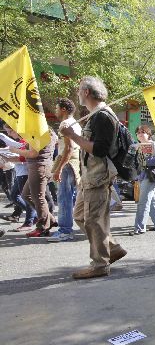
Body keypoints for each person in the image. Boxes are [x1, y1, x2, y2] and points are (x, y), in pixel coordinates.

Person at [60, 76, 126, 279]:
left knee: (94, 221)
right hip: (89, 177)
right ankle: (112, 248)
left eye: (80, 90)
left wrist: (72, 136)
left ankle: (100, 264)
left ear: (87, 92)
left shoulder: (103, 116)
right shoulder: (96, 115)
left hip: (98, 177)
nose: (78, 93)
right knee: (80, 216)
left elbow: (99, 149)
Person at [9, 128, 58, 237]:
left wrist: (15, 150)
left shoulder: (40, 132)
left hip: (39, 167)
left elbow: (33, 153)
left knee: (38, 197)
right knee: (26, 195)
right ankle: (49, 218)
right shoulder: (46, 131)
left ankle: (43, 227)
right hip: (38, 167)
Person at [48, 98, 82, 242]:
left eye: (57, 108)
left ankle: (65, 231)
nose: (55, 111)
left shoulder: (65, 123)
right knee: (69, 198)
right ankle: (66, 229)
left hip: (68, 164)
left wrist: (59, 169)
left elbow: (69, 148)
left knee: (64, 199)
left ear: (63, 109)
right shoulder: (75, 123)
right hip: (73, 163)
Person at [129, 125, 155, 235]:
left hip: (152, 176)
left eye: (143, 132)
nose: (140, 134)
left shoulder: (154, 145)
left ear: (148, 134)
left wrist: (146, 160)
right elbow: (133, 162)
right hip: (142, 176)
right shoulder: (136, 146)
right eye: (138, 132)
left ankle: (140, 227)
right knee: (151, 200)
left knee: (143, 202)